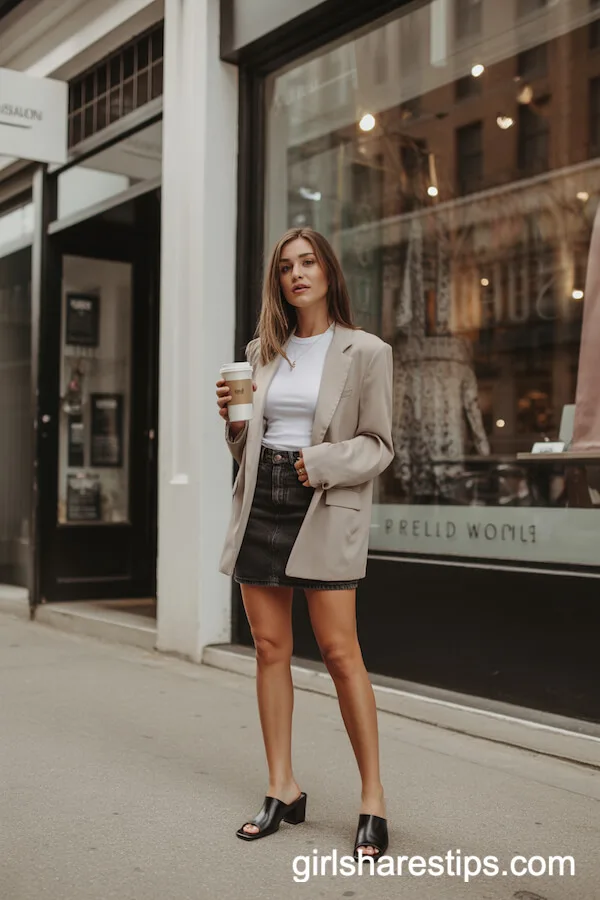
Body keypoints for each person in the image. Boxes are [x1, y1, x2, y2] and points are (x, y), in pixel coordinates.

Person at [216, 227, 394, 861]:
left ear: (327, 271)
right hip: (261, 498)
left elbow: (379, 446)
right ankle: (281, 787)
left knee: (342, 653)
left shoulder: (367, 351)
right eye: (286, 266)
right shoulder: (262, 352)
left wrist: (317, 462)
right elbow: (246, 448)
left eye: (307, 261)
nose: (296, 273)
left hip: (320, 498)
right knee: (269, 647)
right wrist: (233, 426)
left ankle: (372, 799)